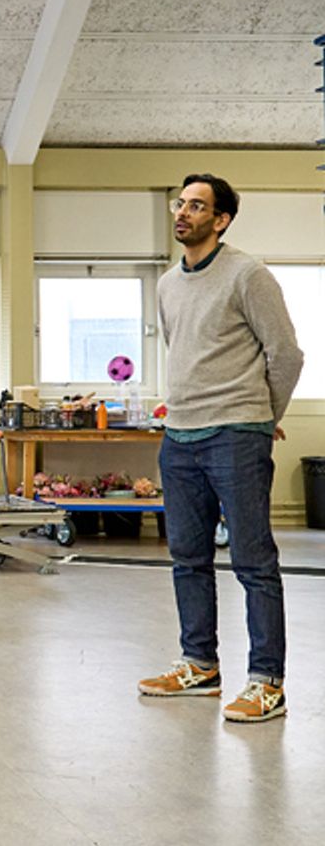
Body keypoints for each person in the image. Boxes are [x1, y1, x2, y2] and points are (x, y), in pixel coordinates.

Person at [138, 174, 302, 723]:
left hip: (235, 433)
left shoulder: (248, 275)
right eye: (180, 203)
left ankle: (266, 682)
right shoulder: (166, 283)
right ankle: (199, 665)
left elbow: (286, 355)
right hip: (179, 435)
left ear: (222, 219)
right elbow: (181, 349)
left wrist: (261, 418)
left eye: (197, 206)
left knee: (254, 562)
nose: (183, 213)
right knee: (187, 558)